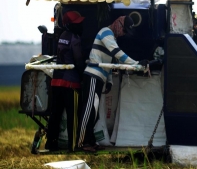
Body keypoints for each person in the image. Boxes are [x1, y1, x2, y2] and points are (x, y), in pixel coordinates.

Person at [77, 15, 148, 152]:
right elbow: (116, 53)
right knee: (89, 111)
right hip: (93, 75)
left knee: (95, 112)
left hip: (100, 77)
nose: (124, 33)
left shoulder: (112, 37)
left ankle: (90, 141)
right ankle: (82, 143)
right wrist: (136, 64)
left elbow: (108, 62)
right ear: (118, 24)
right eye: (124, 30)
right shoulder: (106, 32)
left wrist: (109, 80)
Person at [45, 11, 86, 152]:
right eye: (78, 23)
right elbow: (79, 60)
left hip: (57, 81)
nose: (80, 25)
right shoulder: (75, 38)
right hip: (70, 83)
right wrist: (83, 76)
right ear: (70, 25)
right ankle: (73, 145)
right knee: (72, 116)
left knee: (55, 114)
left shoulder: (62, 36)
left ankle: (51, 143)